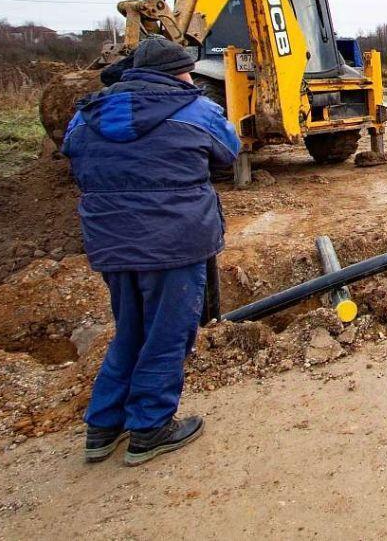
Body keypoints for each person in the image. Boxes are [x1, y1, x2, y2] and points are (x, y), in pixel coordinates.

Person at [62, 37, 240, 465]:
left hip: (112, 243)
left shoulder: (86, 116)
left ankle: (103, 426)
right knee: (167, 334)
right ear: (177, 72)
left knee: (131, 330)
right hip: (174, 243)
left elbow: (73, 158)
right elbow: (228, 152)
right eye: (187, 71)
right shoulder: (196, 110)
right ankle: (150, 428)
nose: (190, 77)